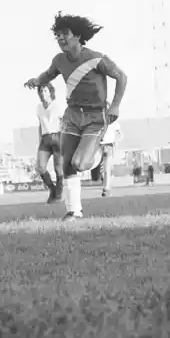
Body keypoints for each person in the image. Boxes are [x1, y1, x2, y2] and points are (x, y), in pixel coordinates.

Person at [24, 12, 128, 220]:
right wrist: (35, 80)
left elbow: (121, 77)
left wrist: (115, 106)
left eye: (65, 34)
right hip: (71, 115)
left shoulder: (96, 58)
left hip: (95, 117)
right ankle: (74, 211)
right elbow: (48, 74)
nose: (61, 39)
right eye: (58, 35)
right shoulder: (59, 60)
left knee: (80, 163)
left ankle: (97, 155)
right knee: (67, 164)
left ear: (78, 36)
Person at [34, 83, 63, 204]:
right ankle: (52, 189)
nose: (42, 93)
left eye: (45, 90)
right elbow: (40, 124)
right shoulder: (38, 108)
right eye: (40, 91)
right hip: (45, 139)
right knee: (40, 167)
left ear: (50, 92)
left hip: (57, 136)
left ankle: (58, 195)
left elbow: (64, 121)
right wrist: (40, 138)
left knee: (58, 169)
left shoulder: (57, 106)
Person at [93, 108, 123, 197]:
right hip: (99, 146)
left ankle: (106, 189)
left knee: (106, 168)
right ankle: (106, 185)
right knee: (101, 169)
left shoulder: (113, 123)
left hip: (108, 145)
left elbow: (121, 135)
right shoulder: (98, 121)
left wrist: (116, 142)